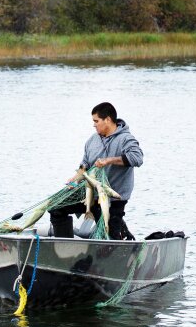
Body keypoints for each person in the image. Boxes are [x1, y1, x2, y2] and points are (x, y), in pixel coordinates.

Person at [50, 102, 143, 240]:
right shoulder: (92, 141)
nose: (94, 125)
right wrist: (76, 178)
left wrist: (108, 161)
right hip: (90, 195)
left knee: (110, 236)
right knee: (56, 207)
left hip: (113, 199)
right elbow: (85, 165)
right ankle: (66, 248)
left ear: (108, 120)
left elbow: (137, 159)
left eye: (96, 121)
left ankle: (120, 231)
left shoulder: (126, 139)